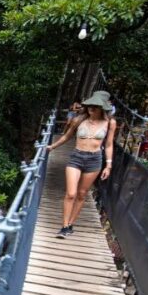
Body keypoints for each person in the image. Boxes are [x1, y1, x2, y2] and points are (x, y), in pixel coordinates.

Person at [47, 92, 116, 238]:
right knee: (71, 193)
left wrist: (108, 166)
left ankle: (71, 224)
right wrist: (52, 146)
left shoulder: (110, 123)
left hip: (94, 160)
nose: (92, 108)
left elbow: (109, 145)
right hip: (76, 157)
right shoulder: (78, 120)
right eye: (90, 105)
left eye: (96, 106)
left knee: (81, 194)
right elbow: (67, 136)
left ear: (103, 107)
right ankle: (64, 226)